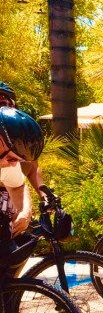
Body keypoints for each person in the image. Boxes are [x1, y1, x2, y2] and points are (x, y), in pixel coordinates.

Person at [0, 106, 45, 259]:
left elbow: (17, 186)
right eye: (12, 159)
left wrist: (25, 211)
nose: (14, 164)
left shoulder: (4, 160)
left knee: (17, 251)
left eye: (18, 160)